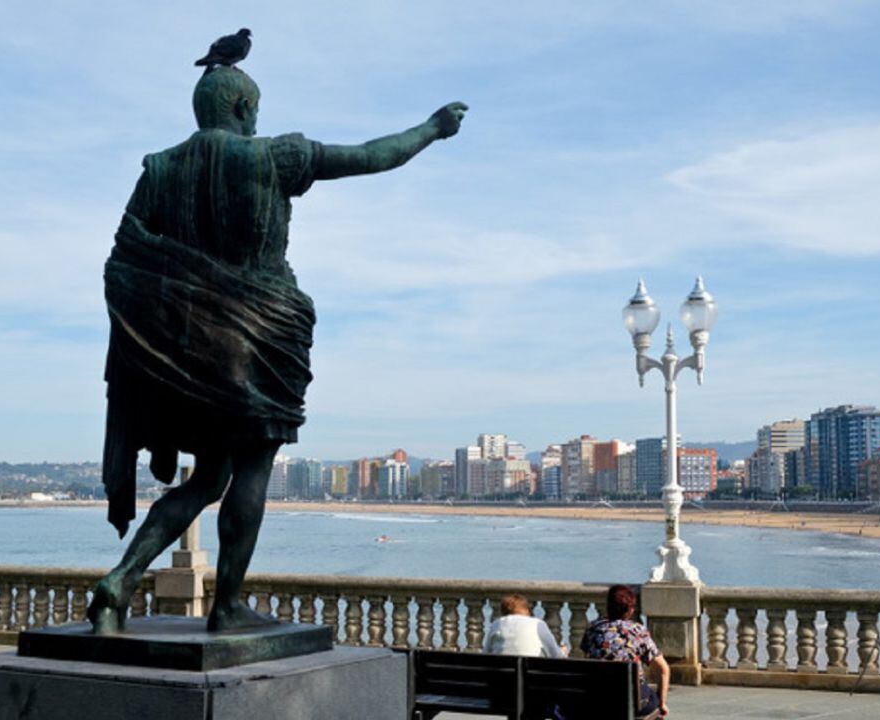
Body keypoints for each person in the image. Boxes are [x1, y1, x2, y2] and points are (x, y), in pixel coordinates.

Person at [87, 64, 466, 634]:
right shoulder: (272, 156)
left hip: (186, 359)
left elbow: (125, 262)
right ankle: (228, 606)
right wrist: (432, 128)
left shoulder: (158, 169)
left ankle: (121, 581)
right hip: (258, 339)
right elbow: (369, 156)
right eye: (255, 110)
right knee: (253, 470)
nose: (257, 118)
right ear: (242, 109)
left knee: (208, 478)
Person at [580, 584, 670, 717]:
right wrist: (662, 703)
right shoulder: (638, 632)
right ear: (631, 610)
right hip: (631, 701)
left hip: (598, 699)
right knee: (652, 696)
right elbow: (664, 669)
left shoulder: (593, 629)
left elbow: (587, 659)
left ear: (608, 606)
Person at [483, 594, 565, 658]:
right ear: (526, 610)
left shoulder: (497, 624)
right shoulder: (538, 624)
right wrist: (563, 651)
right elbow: (556, 656)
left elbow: (486, 654)